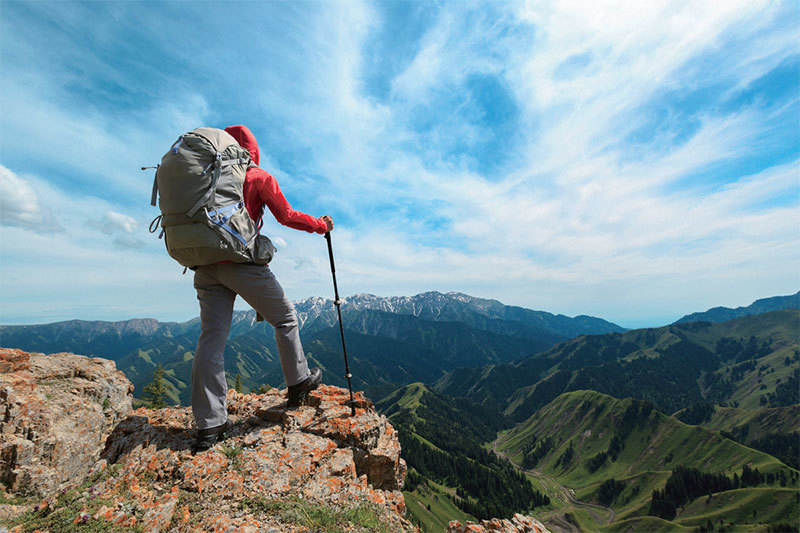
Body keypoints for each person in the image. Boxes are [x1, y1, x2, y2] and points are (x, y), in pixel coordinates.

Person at [192, 124, 333, 451]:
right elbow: (287, 216)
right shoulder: (257, 177)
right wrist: (321, 226)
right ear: (252, 151)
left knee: (211, 337)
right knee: (285, 318)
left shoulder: (205, 176)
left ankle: (209, 426)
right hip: (240, 264)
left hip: (204, 266)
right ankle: (298, 382)